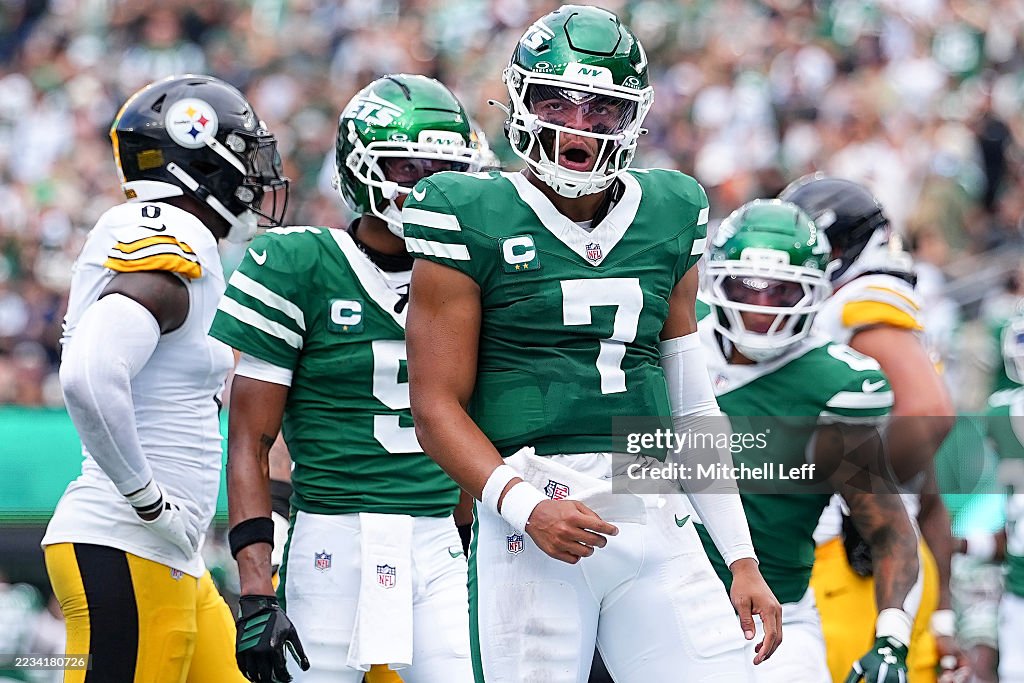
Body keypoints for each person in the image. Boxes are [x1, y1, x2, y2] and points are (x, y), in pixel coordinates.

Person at [403, 6, 781, 682]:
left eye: (602, 110)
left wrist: (742, 557)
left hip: (650, 496)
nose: (576, 126)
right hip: (532, 506)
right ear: (520, 101)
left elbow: (692, 405)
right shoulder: (467, 210)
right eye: (557, 103)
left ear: (633, 118)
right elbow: (434, 406)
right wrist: (526, 505)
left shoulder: (671, 208)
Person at [209, 74, 480, 683]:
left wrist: (469, 538)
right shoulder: (300, 263)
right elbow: (250, 442)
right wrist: (256, 588)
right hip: (332, 540)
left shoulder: (473, 269)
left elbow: (474, 421)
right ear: (361, 167)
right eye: (410, 168)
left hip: (438, 540)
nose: (428, 188)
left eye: (446, 171)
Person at [41, 74, 288, 682]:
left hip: (167, 555)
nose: (257, 177)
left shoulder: (185, 243)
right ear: (204, 158)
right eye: (246, 155)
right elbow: (90, 376)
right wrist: (148, 501)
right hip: (129, 543)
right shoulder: (170, 240)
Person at [697, 199, 922, 682]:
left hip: (775, 618)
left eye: (781, 292)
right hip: (654, 604)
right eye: (747, 287)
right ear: (718, 279)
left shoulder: (834, 383)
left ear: (816, 292)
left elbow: (888, 527)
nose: (760, 307)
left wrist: (892, 635)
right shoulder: (671, 338)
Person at [779, 176, 961, 682]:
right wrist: (944, 612)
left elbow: (929, 414)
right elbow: (927, 490)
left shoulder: (860, 301)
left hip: (852, 572)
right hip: (892, 570)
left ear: (839, 246)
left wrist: (860, 497)